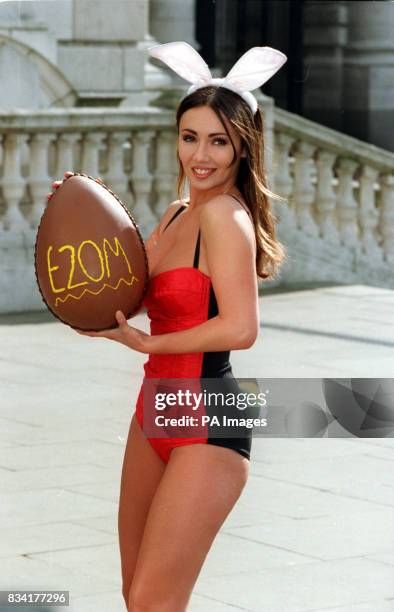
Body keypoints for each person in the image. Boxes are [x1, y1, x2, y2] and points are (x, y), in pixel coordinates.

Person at [48, 42, 287, 612]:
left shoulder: (226, 218)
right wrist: (74, 223)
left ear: (242, 148)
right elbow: (126, 298)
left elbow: (240, 328)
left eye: (218, 140)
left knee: (155, 599)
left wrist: (151, 342)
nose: (200, 155)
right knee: (137, 595)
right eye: (189, 137)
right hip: (153, 410)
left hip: (209, 416)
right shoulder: (178, 213)